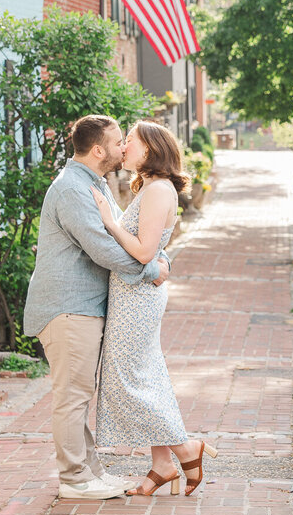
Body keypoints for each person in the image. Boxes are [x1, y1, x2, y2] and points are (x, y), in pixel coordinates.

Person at [24, 115, 172, 500]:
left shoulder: (94, 184)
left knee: (79, 394)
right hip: (68, 308)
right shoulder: (72, 189)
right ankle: (74, 479)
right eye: (119, 141)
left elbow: (127, 234)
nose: (124, 147)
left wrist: (157, 257)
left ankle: (89, 471)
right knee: (72, 397)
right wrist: (152, 269)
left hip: (84, 307)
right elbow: (103, 249)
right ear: (98, 150)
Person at [92, 120, 218, 496]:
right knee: (144, 377)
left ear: (151, 148)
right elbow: (152, 251)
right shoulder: (150, 186)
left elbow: (145, 251)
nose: (125, 145)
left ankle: (183, 447)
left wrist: (111, 224)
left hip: (139, 297)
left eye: (131, 140)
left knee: (126, 379)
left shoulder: (160, 189)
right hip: (133, 294)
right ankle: (163, 464)